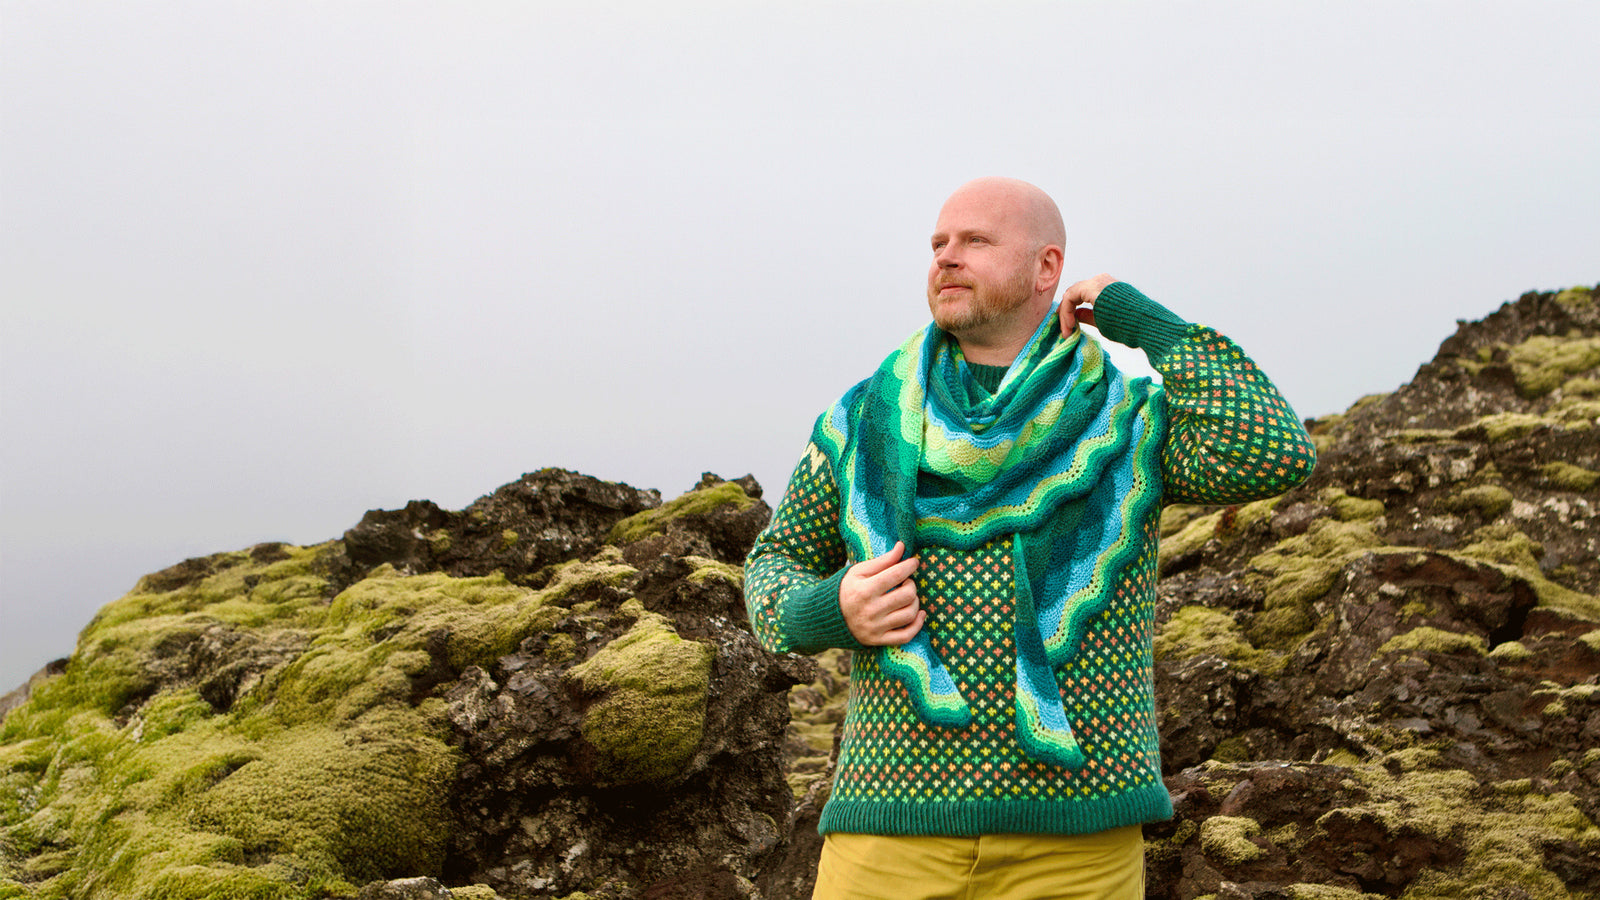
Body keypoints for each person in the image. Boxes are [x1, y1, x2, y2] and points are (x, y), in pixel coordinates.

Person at [743, 177, 1316, 899]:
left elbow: (1273, 451)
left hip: (1079, 843)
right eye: (938, 244)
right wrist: (830, 610)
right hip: (888, 833)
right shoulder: (861, 421)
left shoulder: (1130, 422)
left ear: (1047, 267)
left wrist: (1144, 322)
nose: (946, 257)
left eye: (975, 241)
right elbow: (774, 566)